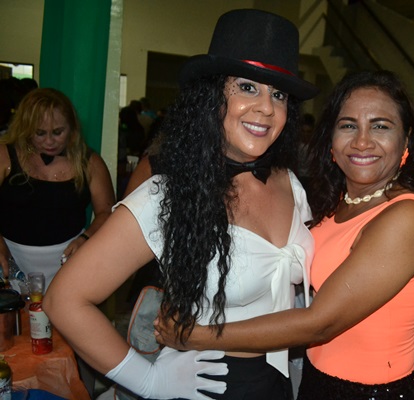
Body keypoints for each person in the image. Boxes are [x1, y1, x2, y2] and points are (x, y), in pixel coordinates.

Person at [45, 9, 319, 400]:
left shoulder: (289, 183)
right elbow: (64, 300)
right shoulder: (169, 195)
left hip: (277, 382)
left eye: (278, 94)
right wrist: (148, 381)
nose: (266, 108)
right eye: (247, 87)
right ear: (211, 95)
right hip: (205, 384)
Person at [154, 70, 414, 399]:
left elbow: (320, 322)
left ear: (406, 139)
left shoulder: (405, 216)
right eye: (348, 126)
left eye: (380, 126)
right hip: (319, 380)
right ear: (331, 139)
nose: (362, 141)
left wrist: (197, 336)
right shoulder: (338, 203)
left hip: (373, 392)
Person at [0, 87, 115, 286]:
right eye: (40, 133)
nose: (50, 141)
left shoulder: (90, 162)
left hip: (68, 259)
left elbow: (107, 212)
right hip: (11, 259)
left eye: (58, 132)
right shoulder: (4, 155)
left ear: (71, 128)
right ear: (26, 129)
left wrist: (86, 238)